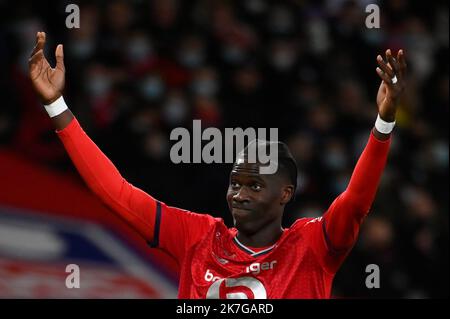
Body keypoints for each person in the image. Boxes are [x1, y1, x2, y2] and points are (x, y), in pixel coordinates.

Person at [28, 31, 406, 298]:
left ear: (285, 195)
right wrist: (56, 107)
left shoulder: (311, 247)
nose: (239, 194)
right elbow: (115, 192)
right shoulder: (198, 237)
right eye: (235, 182)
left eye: (254, 185)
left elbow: (356, 201)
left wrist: (383, 123)